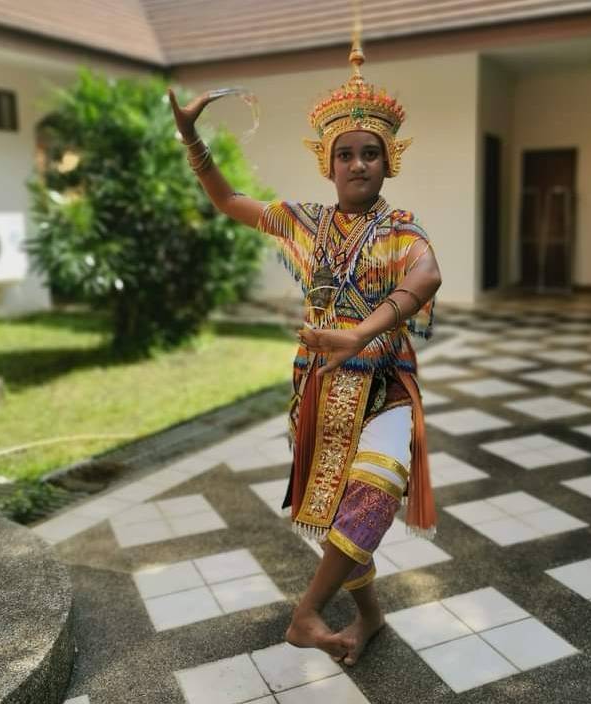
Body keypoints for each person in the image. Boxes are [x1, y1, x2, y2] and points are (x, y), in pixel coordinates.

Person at [168, 37, 442, 667]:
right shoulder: (305, 222)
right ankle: (369, 616)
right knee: (340, 514)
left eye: (370, 153)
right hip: (319, 389)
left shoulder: (401, 228)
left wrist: (362, 332)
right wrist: (191, 140)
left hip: (385, 387)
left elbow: (426, 275)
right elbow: (229, 201)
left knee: (375, 492)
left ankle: (306, 614)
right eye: (345, 154)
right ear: (327, 162)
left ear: (389, 161)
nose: (358, 164)